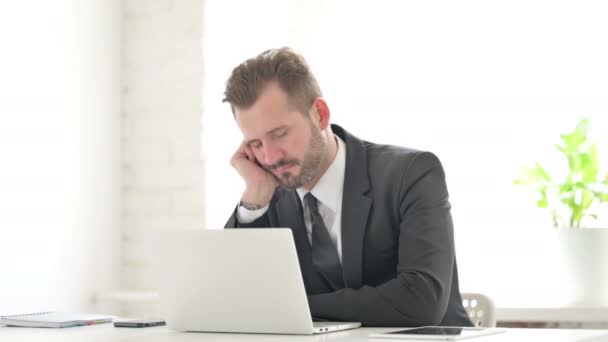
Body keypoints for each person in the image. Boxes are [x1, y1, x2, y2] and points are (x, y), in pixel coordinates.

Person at [223, 47, 473, 327]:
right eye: (255, 144)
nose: (269, 157)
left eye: (279, 134)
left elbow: (421, 301)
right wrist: (254, 198)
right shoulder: (271, 195)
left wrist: (293, 306)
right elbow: (235, 298)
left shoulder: (410, 174)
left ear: (320, 113)